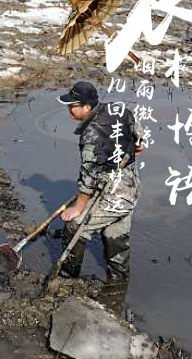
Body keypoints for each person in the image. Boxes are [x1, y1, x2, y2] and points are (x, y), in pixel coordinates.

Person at [55, 80, 139, 284]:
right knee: (115, 235)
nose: (69, 110)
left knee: (75, 226)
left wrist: (78, 207)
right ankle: (118, 286)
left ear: (87, 107)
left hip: (114, 192)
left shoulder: (91, 134)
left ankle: (67, 280)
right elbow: (139, 139)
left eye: (72, 106)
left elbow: (88, 176)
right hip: (131, 186)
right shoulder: (118, 110)